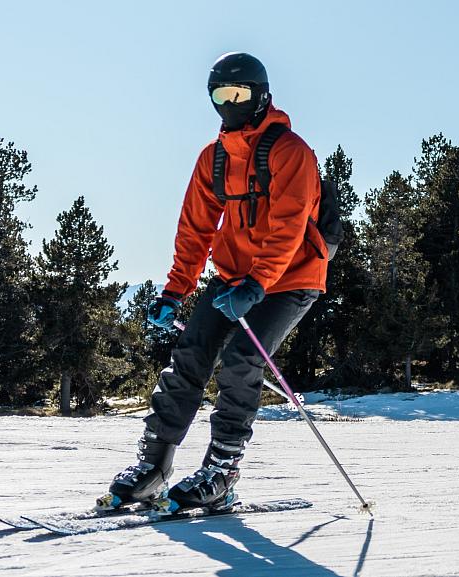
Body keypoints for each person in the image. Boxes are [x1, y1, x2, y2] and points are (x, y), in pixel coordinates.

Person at [100, 52, 329, 513]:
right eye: (220, 96)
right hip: (234, 277)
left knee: (243, 359)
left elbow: (288, 225)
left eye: (239, 94)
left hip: (291, 278)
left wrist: (258, 283)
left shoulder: (291, 152)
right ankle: (153, 467)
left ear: (261, 95)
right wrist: (174, 291)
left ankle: (222, 469)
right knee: (189, 355)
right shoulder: (215, 159)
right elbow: (195, 231)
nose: (230, 104)